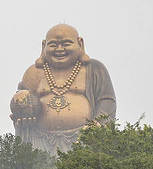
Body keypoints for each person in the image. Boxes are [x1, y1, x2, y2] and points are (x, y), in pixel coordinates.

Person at [10, 24, 116, 153]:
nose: (59, 49)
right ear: (44, 46)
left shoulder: (93, 68)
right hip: (40, 138)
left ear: (80, 44)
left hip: (82, 138)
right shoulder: (34, 72)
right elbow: (22, 102)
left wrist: (98, 124)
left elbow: (107, 101)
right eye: (53, 45)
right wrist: (22, 118)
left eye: (66, 43)